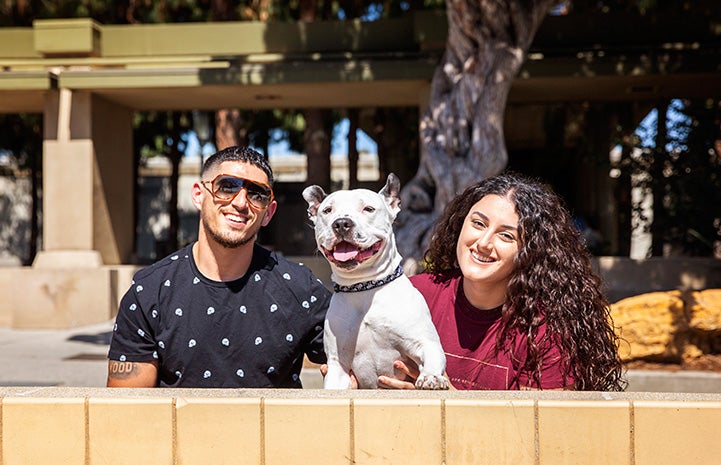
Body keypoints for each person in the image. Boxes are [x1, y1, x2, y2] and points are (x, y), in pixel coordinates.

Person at [107, 146, 331, 388]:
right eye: (227, 186)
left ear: (269, 213)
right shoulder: (149, 292)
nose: (241, 202)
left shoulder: (301, 288)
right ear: (198, 195)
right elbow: (126, 410)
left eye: (257, 194)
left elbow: (357, 364)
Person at [379, 172, 625, 391]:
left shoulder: (546, 331)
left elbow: (539, 433)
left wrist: (444, 396)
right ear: (460, 225)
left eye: (506, 235)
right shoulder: (413, 294)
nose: (484, 243)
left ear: (532, 251)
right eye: (478, 223)